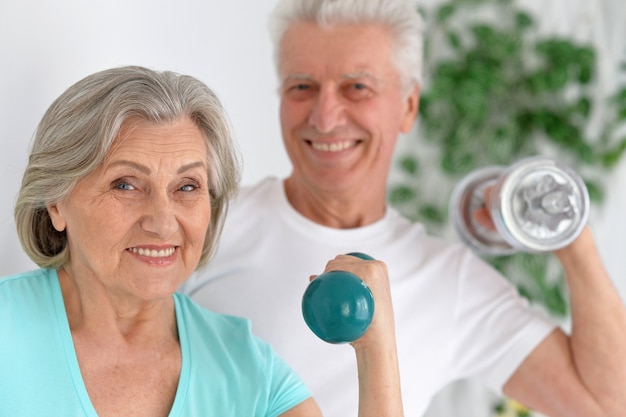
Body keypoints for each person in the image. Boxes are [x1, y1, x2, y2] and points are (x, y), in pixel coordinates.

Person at [181, 1, 626, 416]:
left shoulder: (449, 282)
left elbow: (605, 405)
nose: (325, 116)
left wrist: (569, 236)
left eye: (357, 87)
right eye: (303, 86)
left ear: (408, 106)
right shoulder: (203, 224)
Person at [0, 65, 405, 417]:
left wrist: (377, 352)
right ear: (56, 202)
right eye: (126, 184)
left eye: (187, 186)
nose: (162, 222)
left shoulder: (248, 370)